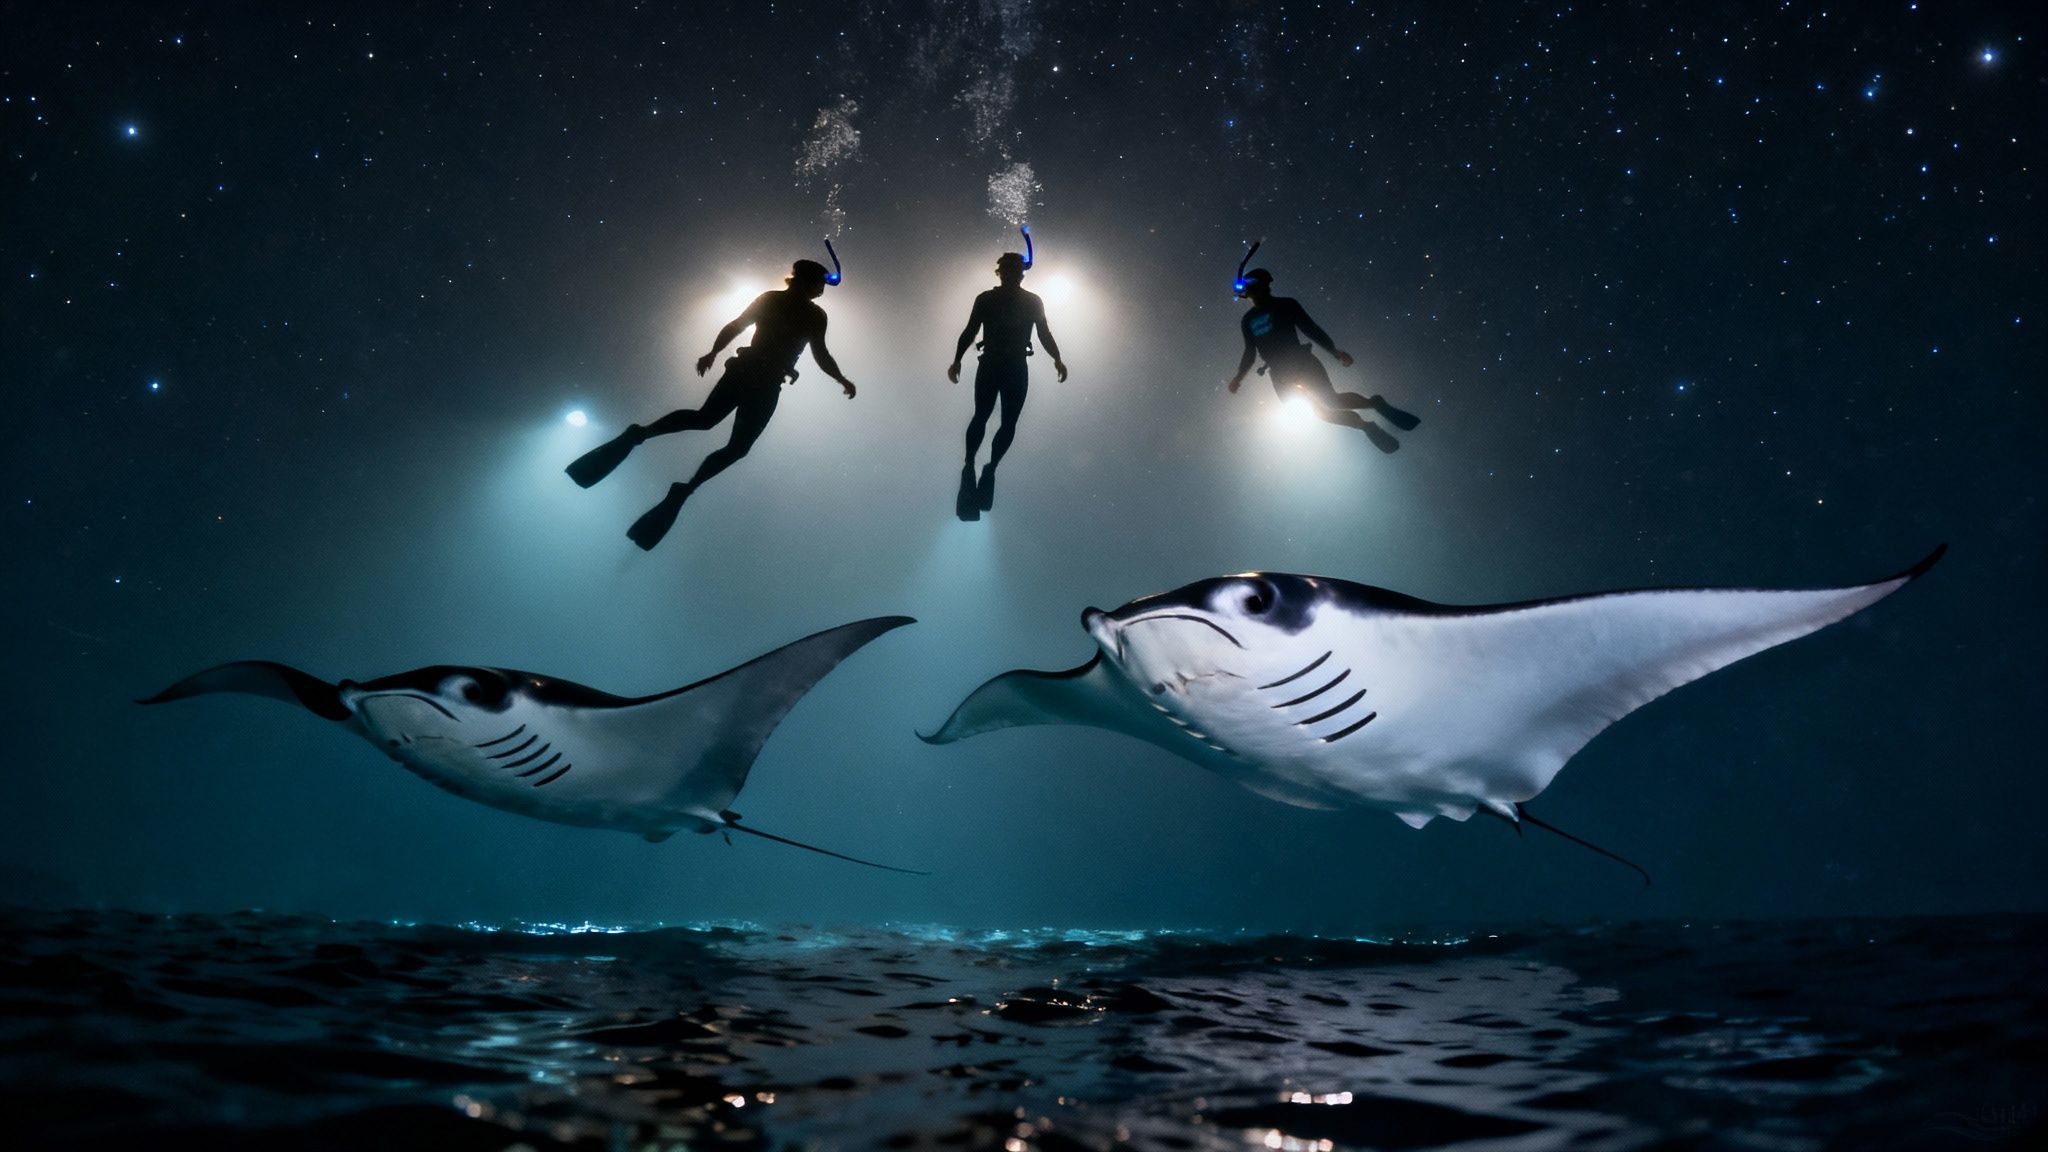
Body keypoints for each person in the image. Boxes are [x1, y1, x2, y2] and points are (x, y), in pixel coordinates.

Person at [566, 259, 856, 550]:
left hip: (752, 374)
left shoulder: (782, 304)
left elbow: (740, 327)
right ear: (807, 281)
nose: (822, 289)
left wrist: (714, 353)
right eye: (820, 283)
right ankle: (683, 484)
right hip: (762, 380)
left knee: (706, 420)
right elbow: (816, 352)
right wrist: (840, 378)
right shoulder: (812, 315)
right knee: (731, 441)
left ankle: (642, 436)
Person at [1224, 267, 1418, 453]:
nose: (1249, 293)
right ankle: (1364, 425)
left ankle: (1374, 404)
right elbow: (1250, 351)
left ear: (1261, 287)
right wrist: (1239, 377)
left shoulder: (1285, 304)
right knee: (1322, 413)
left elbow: (1310, 329)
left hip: (1302, 363)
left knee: (1331, 401)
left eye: (1252, 288)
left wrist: (1334, 351)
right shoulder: (1248, 320)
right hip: (1281, 376)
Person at [947, 251, 1067, 519]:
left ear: (1018, 273)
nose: (1010, 275)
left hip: (1005, 366)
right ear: (1000, 273)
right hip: (1001, 365)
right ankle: (975, 465)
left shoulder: (1025, 301)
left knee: (1001, 420)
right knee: (986, 416)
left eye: (1013, 270)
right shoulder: (989, 299)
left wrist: (1057, 358)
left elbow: (1044, 333)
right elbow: (970, 330)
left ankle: (984, 466)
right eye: (1007, 270)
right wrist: (956, 360)